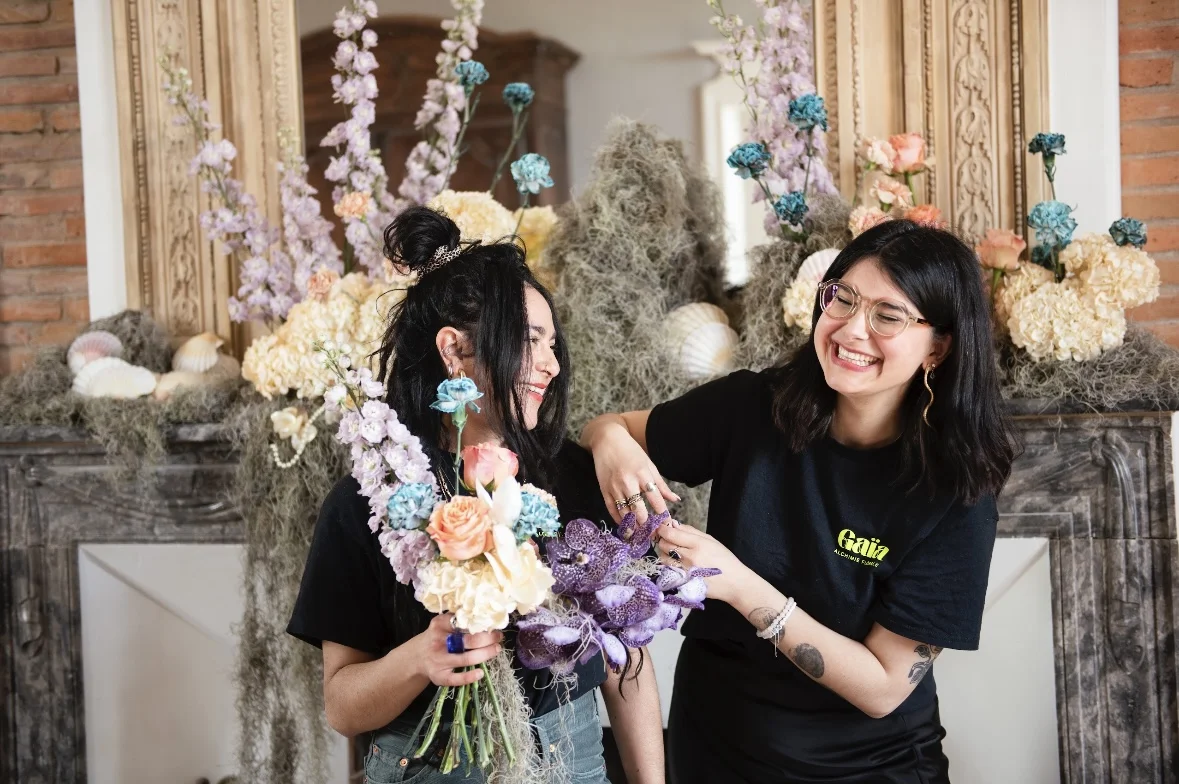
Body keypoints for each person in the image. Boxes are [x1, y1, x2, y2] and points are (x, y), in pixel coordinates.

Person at [581, 219, 1018, 783]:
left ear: (938, 347)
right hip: (714, 749)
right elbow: (610, 426)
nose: (851, 330)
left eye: (887, 316)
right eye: (843, 299)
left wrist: (739, 586)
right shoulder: (751, 408)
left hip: (865, 768)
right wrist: (608, 440)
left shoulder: (955, 493)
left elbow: (884, 687)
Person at [288, 206, 664, 784]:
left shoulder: (581, 481)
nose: (551, 364)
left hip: (576, 763)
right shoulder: (372, 497)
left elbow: (626, 661)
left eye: (554, 344)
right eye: (531, 341)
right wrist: (421, 659)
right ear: (456, 351)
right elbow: (342, 705)